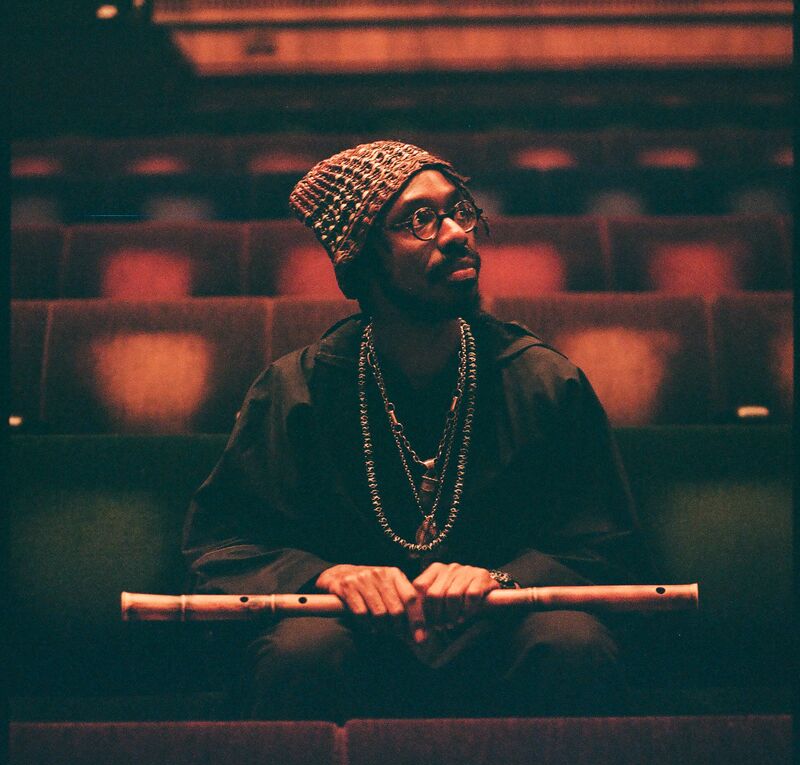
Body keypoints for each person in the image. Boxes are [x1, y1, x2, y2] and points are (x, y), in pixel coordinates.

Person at [182, 140, 646, 721]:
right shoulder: (297, 389)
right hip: (355, 640)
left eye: (460, 210)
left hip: (499, 637)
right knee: (302, 651)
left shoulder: (541, 380)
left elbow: (608, 545)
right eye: (420, 221)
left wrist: (501, 579)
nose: (457, 233)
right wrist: (326, 576)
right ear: (361, 262)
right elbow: (224, 545)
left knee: (571, 643)